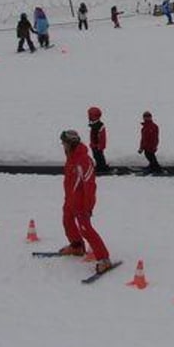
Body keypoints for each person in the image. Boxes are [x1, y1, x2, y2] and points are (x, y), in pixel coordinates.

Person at [58, 129, 113, 275]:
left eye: (64, 143)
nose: (62, 145)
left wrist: (88, 207)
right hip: (70, 200)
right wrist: (67, 198)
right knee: (67, 222)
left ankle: (104, 259)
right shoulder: (70, 158)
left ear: (71, 143)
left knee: (86, 229)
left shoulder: (84, 161)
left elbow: (90, 186)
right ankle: (77, 246)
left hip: (82, 204)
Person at [87, 106, 111, 174]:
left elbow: (102, 137)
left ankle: (102, 167)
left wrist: (100, 145)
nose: (89, 117)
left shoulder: (99, 125)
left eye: (90, 115)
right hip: (94, 145)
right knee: (96, 156)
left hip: (98, 145)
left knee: (99, 156)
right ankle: (99, 166)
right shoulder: (94, 124)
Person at [138, 111, 162, 175]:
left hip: (151, 146)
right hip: (146, 146)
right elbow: (143, 138)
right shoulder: (144, 127)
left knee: (151, 157)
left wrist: (154, 146)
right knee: (149, 156)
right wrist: (141, 147)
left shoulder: (153, 126)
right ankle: (152, 166)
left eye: (148, 117)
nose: (146, 118)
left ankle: (157, 169)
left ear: (151, 117)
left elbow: (155, 138)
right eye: (145, 117)